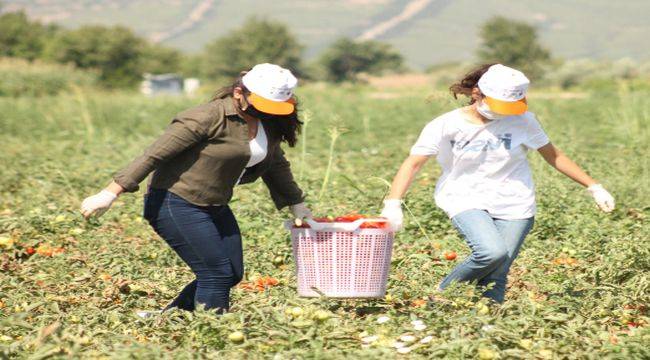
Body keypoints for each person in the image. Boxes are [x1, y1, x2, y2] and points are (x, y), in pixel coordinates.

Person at [80, 63, 313, 313]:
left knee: (232, 273)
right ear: (238, 93)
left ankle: (170, 319)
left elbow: (276, 164)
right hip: (176, 202)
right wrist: (109, 193)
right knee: (217, 274)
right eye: (263, 105)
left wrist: (296, 204)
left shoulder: (267, 122)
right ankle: (212, 333)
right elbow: (153, 156)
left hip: (215, 204)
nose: (269, 113)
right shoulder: (206, 117)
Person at [380, 64, 615, 303]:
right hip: (464, 197)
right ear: (477, 94)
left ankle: (486, 329)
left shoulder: (523, 121)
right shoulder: (445, 125)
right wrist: (393, 203)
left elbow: (555, 156)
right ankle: (440, 296)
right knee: (491, 253)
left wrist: (594, 186)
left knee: (498, 271)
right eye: (499, 105)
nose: (505, 113)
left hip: (516, 202)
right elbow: (413, 164)